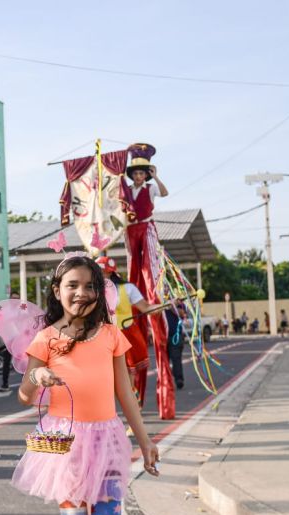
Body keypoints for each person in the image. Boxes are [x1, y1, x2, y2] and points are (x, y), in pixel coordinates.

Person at [12, 255, 159, 515]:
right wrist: (36, 375)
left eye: (90, 286)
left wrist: (145, 441)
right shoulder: (45, 338)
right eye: (73, 285)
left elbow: (126, 394)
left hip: (109, 441)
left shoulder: (111, 334)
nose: (82, 293)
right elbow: (24, 396)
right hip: (68, 446)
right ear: (57, 291)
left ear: (99, 293)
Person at [122, 143, 174, 419]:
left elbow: (164, 193)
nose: (140, 177)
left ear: (147, 174)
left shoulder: (151, 189)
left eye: (144, 173)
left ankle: (149, 287)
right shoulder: (127, 191)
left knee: (147, 270)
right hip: (131, 230)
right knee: (133, 267)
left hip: (147, 228)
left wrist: (157, 175)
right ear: (132, 175)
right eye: (137, 173)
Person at [96, 256, 162, 407]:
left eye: (100, 271)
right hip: (103, 338)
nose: (98, 274)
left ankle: (134, 419)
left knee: (127, 383)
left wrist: (165, 305)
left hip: (126, 337)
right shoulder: (92, 290)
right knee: (107, 383)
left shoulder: (127, 289)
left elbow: (145, 308)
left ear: (109, 272)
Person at [165, 304, 187, 389]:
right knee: (164, 360)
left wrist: (172, 306)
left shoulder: (177, 300)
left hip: (176, 335)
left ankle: (179, 380)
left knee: (176, 358)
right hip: (163, 336)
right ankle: (166, 381)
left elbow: (182, 314)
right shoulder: (158, 298)